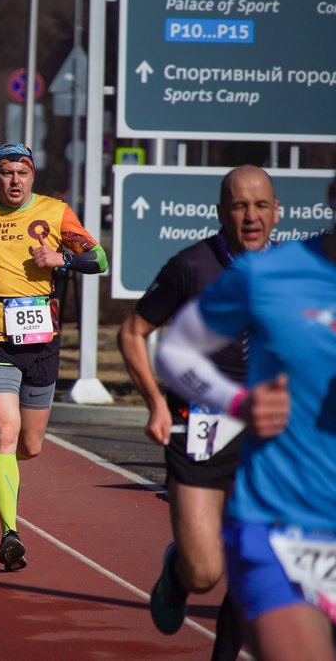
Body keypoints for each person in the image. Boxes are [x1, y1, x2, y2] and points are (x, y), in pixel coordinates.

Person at [118, 165, 279, 657]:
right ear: (220, 212)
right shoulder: (192, 266)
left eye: (260, 206)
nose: (250, 217)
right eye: (239, 206)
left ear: (277, 212)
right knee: (205, 571)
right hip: (200, 431)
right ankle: (178, 572)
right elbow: (133, 333)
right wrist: (156, 405)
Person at [156, 229, 336, 661]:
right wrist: (236, 401)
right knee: (205, 573)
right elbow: (175, 352)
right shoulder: (267, 274)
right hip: (285, 528)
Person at [0, 143, 107, 571]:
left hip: (41, 343)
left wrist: (62, 258)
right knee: (5, 429)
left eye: (22, 172)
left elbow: (100, 259)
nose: (14, 180)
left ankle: (1, 464)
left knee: (29, 447)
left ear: (32, 175)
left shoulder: (56, 211)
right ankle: (10, 534)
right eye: (6, 172)